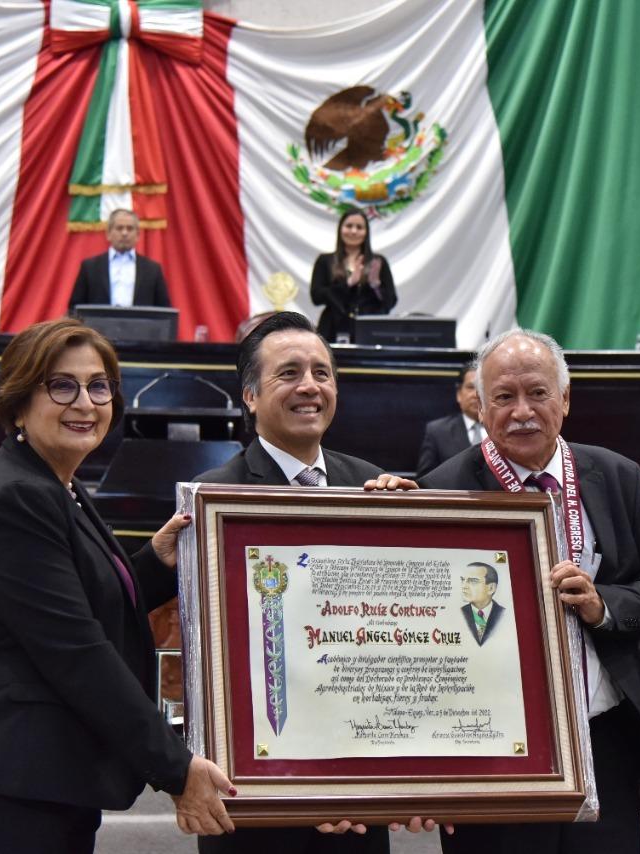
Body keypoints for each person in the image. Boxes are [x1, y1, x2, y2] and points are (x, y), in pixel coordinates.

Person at [0, 319, 233, 852]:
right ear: (18, 403)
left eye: (99, 385)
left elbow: (88, 599)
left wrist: (154, 563)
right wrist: (177, 769)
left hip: (42, 778)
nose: (85, 402)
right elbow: (78, 652)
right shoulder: (21, 497)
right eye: (62, 385)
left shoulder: (55, 483)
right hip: (3, 782)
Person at [421, 328, 640, 854]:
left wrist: (604, 605)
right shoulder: (443, 488)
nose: (522, 411)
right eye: (503, 396)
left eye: (537, 393)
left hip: (604, 740)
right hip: (492, 751)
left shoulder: (616, 475)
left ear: (564, 399)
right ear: (479, 404)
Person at [194, 310, 435, 854]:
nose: (310, 386)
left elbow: (399, 640)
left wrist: (416, 532)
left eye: (323, 373)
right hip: (256, 805)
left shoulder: (373, 485)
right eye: (290, 373)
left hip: (360, 797)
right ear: (251, 395)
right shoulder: (215, 496)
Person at [309, 208, 396, 343]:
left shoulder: (377, 262)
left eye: (359, 227)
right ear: (340, 229)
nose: (354, 231)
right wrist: (348, 283)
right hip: (333, 329)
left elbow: (390, 302)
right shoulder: (325, 260)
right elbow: (316, 297)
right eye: (349, 226)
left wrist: (375, 285)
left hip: (369, 330)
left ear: (366, 232)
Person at [68, 209, 172, 310]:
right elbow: (75, 308)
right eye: (119, 228)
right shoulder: (90, 267)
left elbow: (164, 311)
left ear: (138, 235)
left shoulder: (152, 269)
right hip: (98, 326)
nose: (124, 233)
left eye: (130, 228)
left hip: (140, 327)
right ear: (108, 234)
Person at [417, 365, 483, 478]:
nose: (476, 395)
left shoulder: (501, 429)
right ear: (459, 394)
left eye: (482, 388)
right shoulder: (438, 431)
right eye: (470, 387)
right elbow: (425, 481)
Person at [460, 561, 506, 646]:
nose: (464, 586)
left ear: (491, 588)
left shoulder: (504, 614)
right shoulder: (459, 613)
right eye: (463, 580)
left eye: (473, 581)